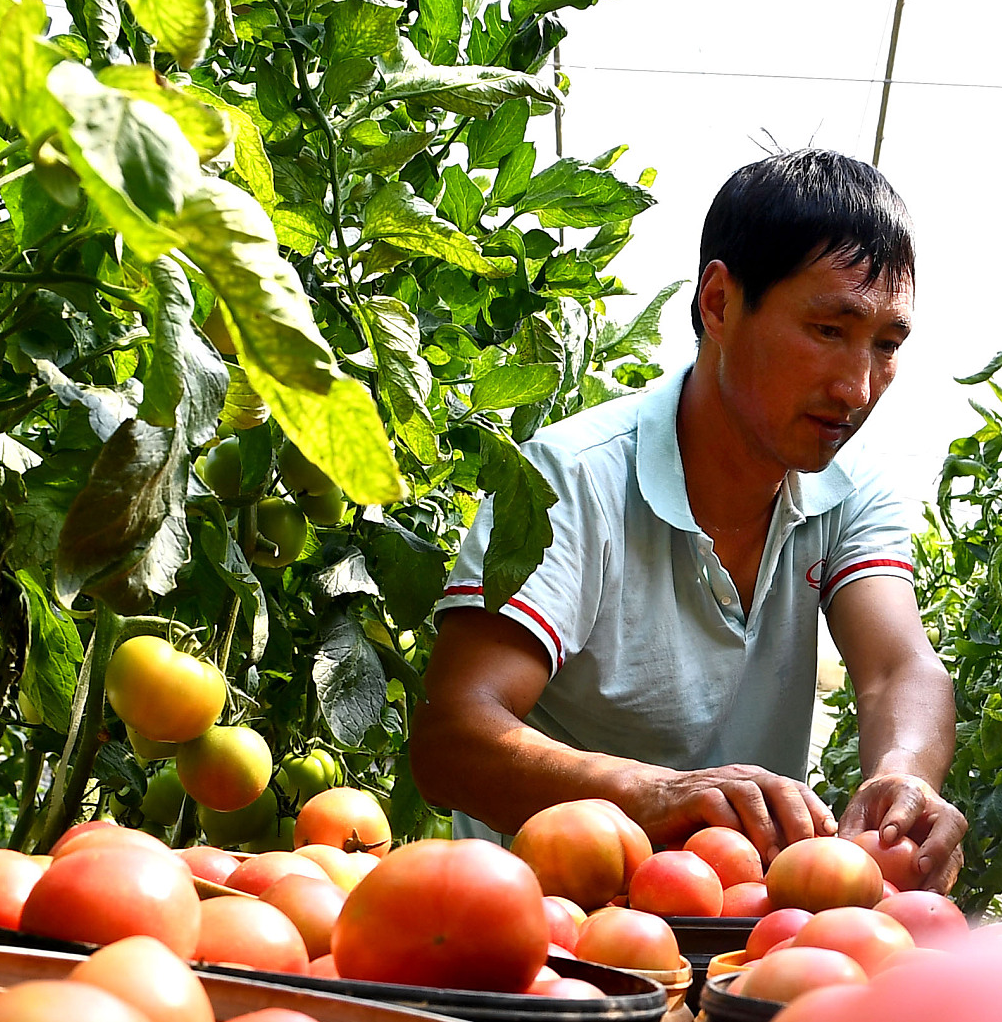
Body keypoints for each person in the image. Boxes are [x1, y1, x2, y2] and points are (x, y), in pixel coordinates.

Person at [408, 149, 967, 888]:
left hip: (739, 925)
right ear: (720, 304)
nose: (858, 388)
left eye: (887, 345)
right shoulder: (573, 482)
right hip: (544, 922)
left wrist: (904, 778)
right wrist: (652, 794)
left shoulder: (848, 486)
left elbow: (899, 666)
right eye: (829, 330)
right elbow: (454, 735)